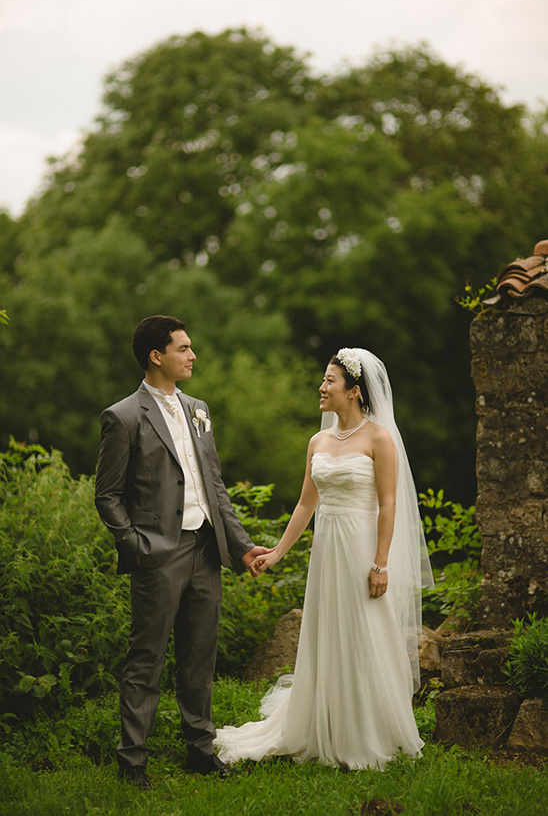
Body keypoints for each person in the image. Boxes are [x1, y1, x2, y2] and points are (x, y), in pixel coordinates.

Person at [215, 347, 434, 770]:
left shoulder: (379, 438)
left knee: (364, 630)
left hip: (362, 548)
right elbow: (304, 504)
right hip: (327, 549)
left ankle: (368, 729)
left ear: (353, 391)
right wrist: (277, 552)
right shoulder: (318, 440)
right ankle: (323, 720)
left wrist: (380, 563)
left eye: (329, 381)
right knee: (327, 629)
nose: (321, 387)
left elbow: (388, 504)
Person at [95, 315, 269, 790]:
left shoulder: (198, 408)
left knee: (199, 655)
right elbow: (106, 495)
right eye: (184, 348)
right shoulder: (124, 416)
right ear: (157, 356)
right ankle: (132, 760)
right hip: (158, 552)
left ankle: (199, 748)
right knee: (146, 659)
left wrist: (241, 545)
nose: (192, 356)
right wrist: (136, 545)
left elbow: (214, 485)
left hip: (205, 548)